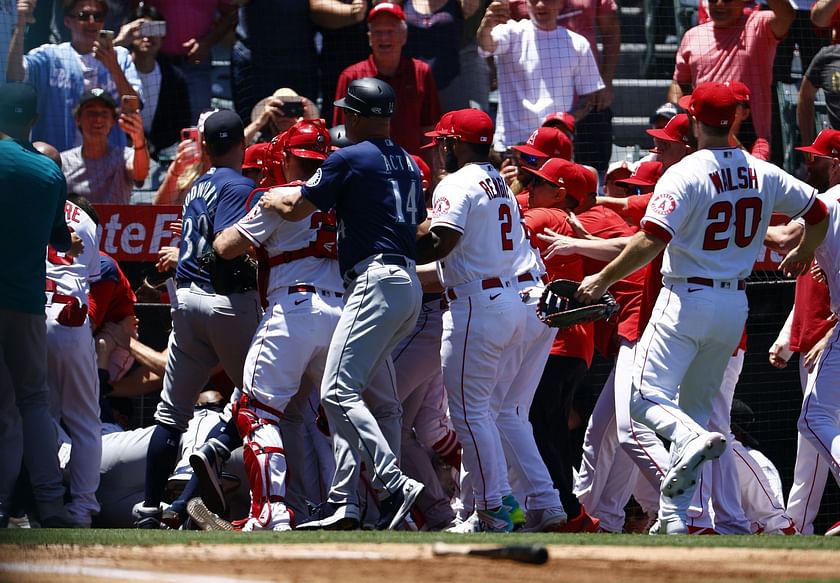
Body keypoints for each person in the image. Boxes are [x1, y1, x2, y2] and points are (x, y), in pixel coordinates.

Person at [574, 82, 829, 535]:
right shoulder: (760, 170)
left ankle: (690, 445)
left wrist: (602, 278)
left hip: (686, 297)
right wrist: (806, 251)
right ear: (733, 119)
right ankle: (675, 518)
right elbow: (816, 213)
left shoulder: (685, 172)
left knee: (641, 400)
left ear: (693, 120)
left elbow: (652, 239)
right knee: (695, 409)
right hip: (734, 303)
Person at [258, 77, 426, 530]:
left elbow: (297, 208)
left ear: (355, 116)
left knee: (336, 392)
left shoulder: (350, 156)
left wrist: (276, 196)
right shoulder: (409, 162)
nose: (343, 119)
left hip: (375, 282)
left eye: (346, 113)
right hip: (406, 283)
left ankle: (393, 481)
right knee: (344, 397)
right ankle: (344, 504)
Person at [133, 109, 262, 528]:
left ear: (204, 146)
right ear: (242, 143)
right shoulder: (240, 185)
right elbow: (228, 243)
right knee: (258, 399)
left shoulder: (196, 185)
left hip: (185, 301)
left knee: (171, 415)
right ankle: (191, 489)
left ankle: (151, 507)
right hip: (225, 301)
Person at [209, 119, 338, 531]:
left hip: (294, 308)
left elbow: (225, 249)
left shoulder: (277, 197)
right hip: (341, 314)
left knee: (256, 414)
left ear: (285, 157)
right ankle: (360, 507)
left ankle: (270, 510)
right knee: (341, 418)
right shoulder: (343, 197)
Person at [411, 108, 529, 532]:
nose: (440, 149)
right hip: (504, 299)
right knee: (482, 413)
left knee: (469, 416)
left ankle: (493, 508)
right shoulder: (500, 182)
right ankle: (501, 503)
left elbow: (441, 242)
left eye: (443, 141)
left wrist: (396, 240)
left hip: (477, 305)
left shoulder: (458, 182)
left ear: (456, 143)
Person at [0, 82, 77, 529]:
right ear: (33, 120)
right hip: (25, 304)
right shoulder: (48, 173)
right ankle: (50, 505)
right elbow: (59, 240)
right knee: (32, 403)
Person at [6, 0, 143, 152]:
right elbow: (14, 74)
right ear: (67, 21)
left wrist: (113, 67)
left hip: (109, 165)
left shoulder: (120, 56)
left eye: (98, 16)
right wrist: (20, 24)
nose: (92, 22)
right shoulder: (50, 56)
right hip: (59, 162)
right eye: (83, 16)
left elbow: (135, 105)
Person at [477, 0, 604, 155]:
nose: (540, 5)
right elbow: (486, 45)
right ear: (526, 4)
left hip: (555, 147)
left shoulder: (578, 44)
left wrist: (564, 122)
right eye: (534, 0)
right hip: (512, 146)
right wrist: (487, 25)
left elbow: (589, 96)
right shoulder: (512, 32)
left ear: (561, 4)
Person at [668, 0, 794, 153]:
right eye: (713, 0)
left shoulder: (759, 25)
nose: (720, 4)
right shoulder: (693, 35)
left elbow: (786, 16)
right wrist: (679, 118)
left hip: (749, 136)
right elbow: (679, 83)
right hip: (704, 134)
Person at [333, 2, 441, 155]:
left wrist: (431, 171)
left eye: (390, 31)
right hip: (366, 170)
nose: (384, 38)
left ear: (404, 36)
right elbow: (340, 134)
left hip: (411, 168)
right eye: (378, 32)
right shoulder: (351, 76)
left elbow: (430, 128)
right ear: (369, 38)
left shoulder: (421, 72)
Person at [119, 4, 192, 159]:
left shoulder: (174, 77)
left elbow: (182, 122)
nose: (148, 37)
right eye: (142, 30)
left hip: (163, 157)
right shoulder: (115, 71)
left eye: (155, 29)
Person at [146, 0, 238, 121]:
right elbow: (137, 10)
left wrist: (206, 43)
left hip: (197, 65)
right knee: (160, 124)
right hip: (158, 64)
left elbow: (231, 13)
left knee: (198, 122)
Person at [60, 88, 149, 204]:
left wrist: (139, 139)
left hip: (117, 222)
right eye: (91, 113)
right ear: (78, 118)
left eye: (104, 113)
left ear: (113, 121)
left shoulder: (125, 156)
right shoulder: (64, 162)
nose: (98, 119)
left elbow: (140, 174)